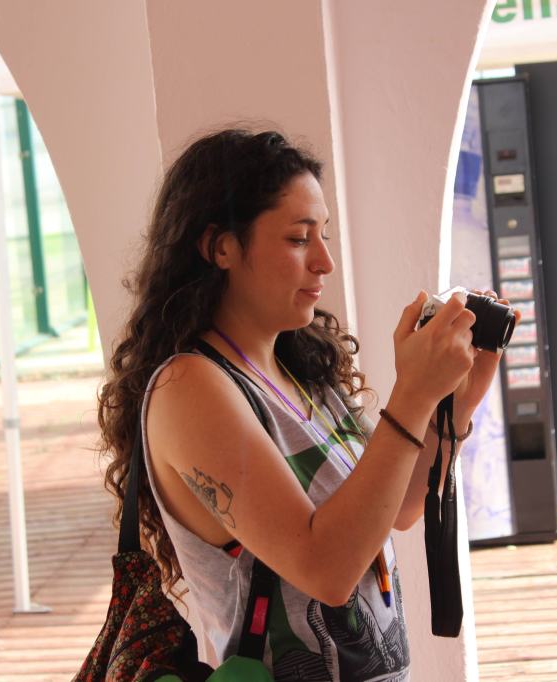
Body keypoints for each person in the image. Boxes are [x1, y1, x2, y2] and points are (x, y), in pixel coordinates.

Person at [97, 129, 513, 681]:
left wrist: (453, 405)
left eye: (324, 235)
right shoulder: (189, 388)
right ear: (220, 247)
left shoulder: (302, 369)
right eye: (298, 239)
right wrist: (412, 394)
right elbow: (327, 570)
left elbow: (398, 508)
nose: (325, 262)